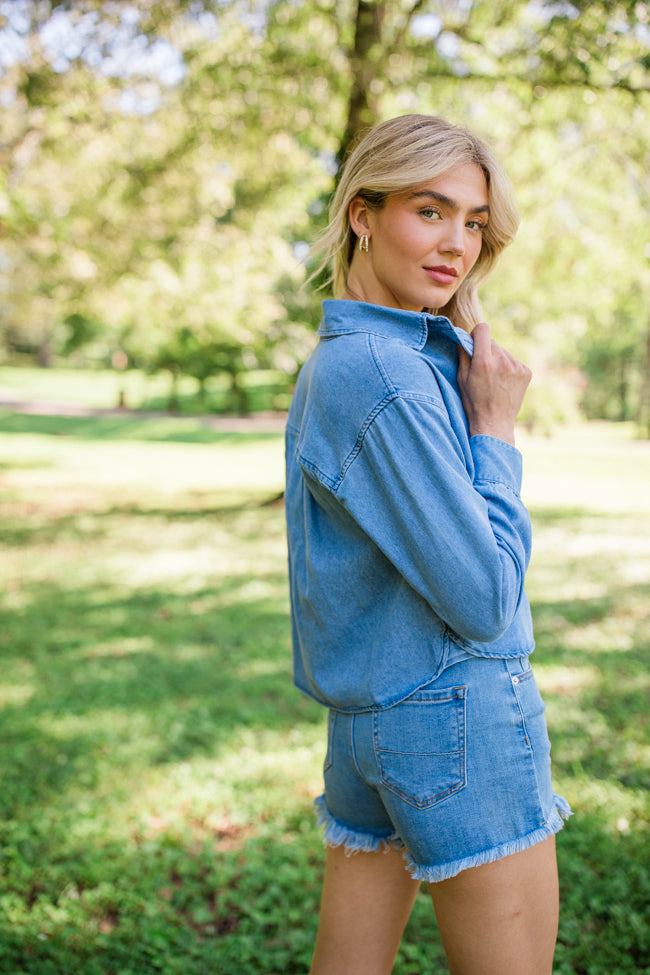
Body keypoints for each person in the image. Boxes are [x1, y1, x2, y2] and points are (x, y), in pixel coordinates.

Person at [284, 114, 570, 975]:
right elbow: (484, 600)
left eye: (475, 222)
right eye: (430, 211)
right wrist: (497, 431)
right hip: (459, 720)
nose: (458, 244)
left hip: (369, 725)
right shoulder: (386, 373)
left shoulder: (343, 359)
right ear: (363, 214)